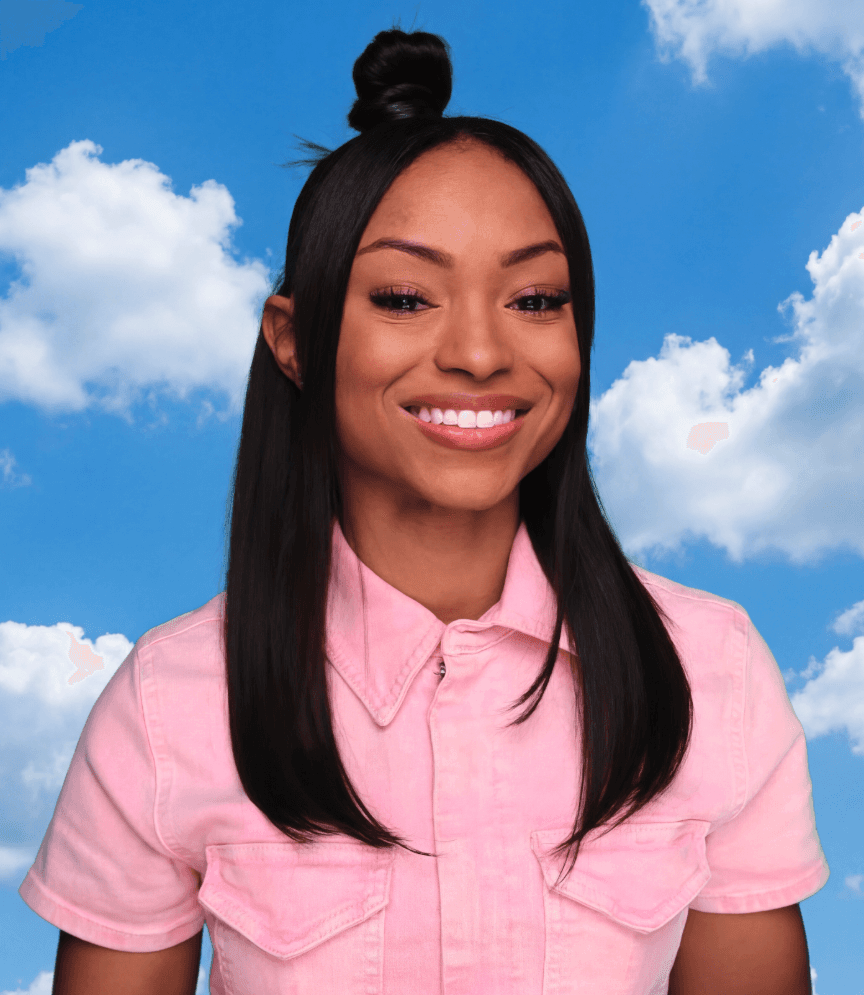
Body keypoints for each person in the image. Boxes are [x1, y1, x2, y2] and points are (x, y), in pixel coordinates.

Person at [21, 28, 828, 995]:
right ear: (295, 340)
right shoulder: (168, 706)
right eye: (406, 297)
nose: (482, 354)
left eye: (535, 299)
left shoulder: (711, 673)